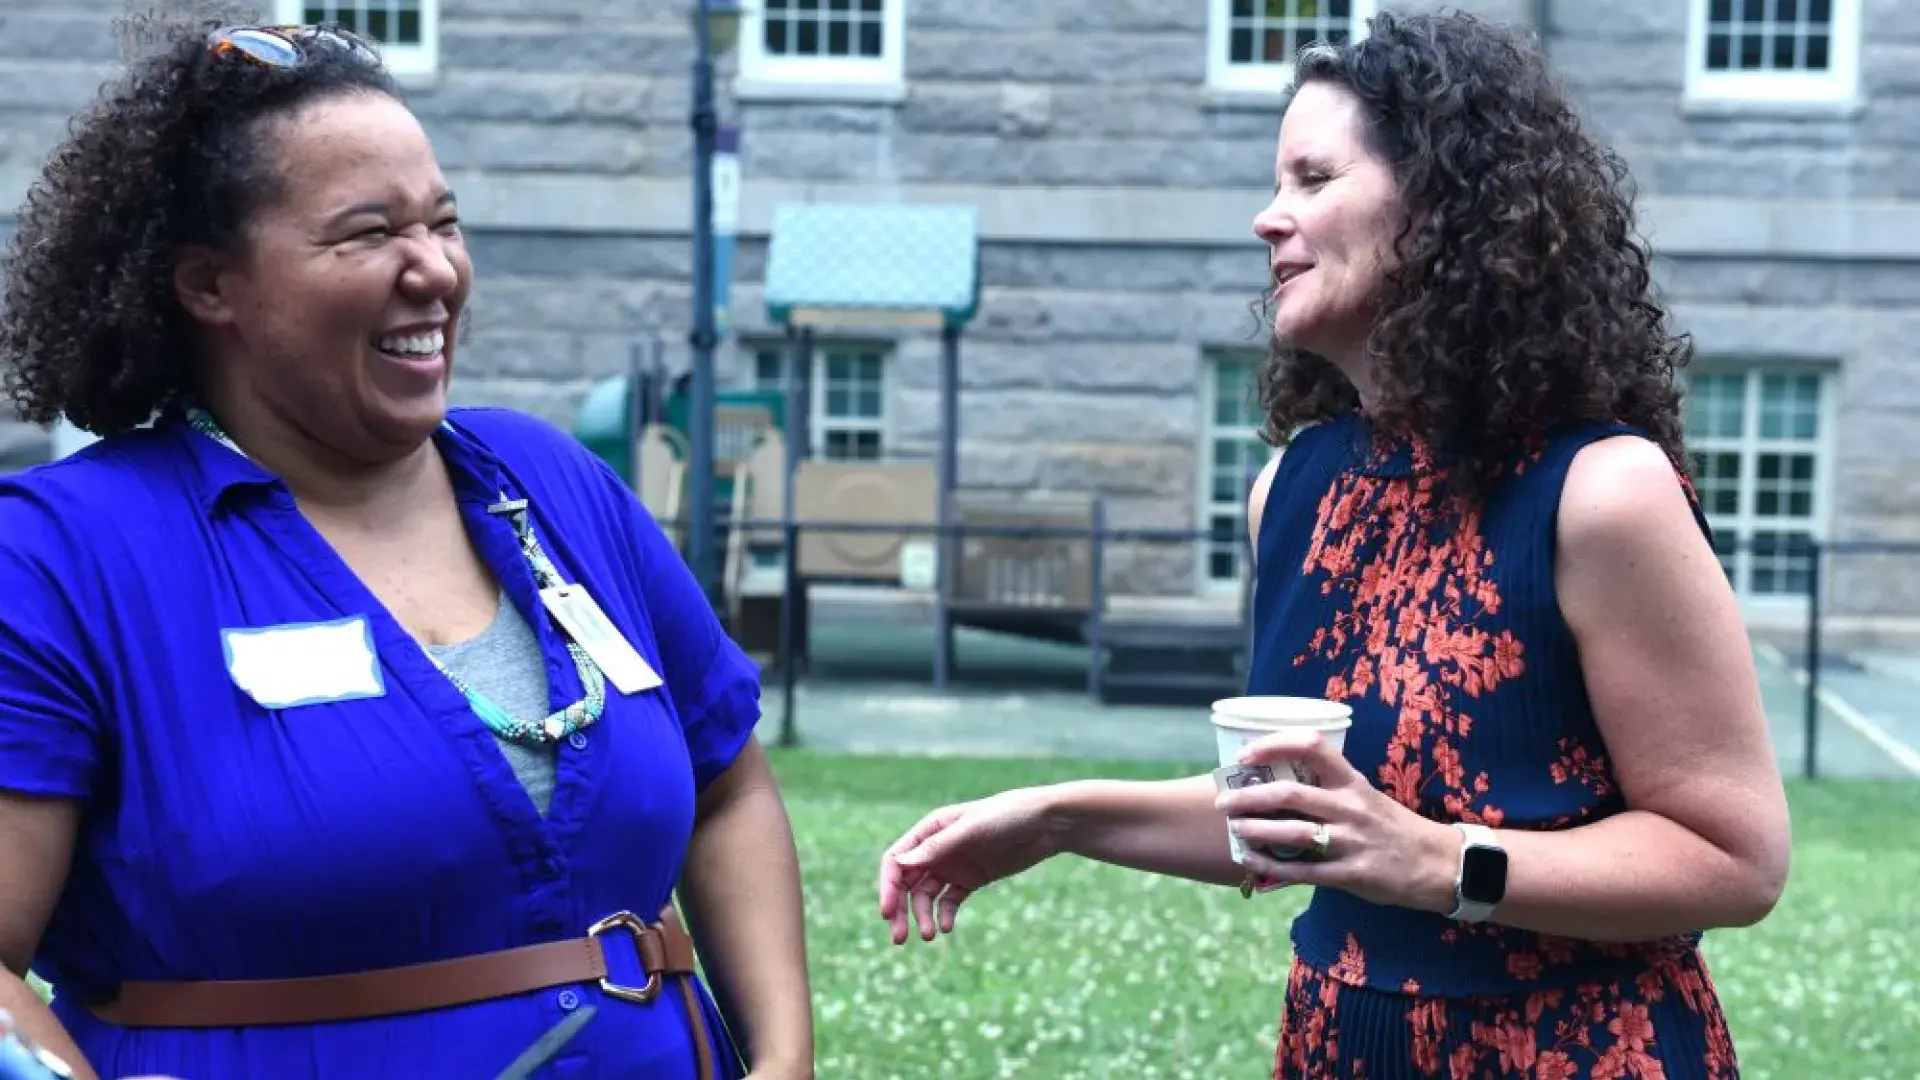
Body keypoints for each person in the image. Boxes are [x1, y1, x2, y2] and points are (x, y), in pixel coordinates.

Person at [877, 11, 1791, 1079]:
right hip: (1339, 1042)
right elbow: (1297, 821)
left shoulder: (1600, 494)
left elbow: (1735, 859)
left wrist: (1439, 862)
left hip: (1575, 1047)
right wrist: (1055, 818)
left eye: (1313, 179)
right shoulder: (1294, 493)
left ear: (1446, 209)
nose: (1270, 219)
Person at [0, 10, 813, 1080]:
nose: (433, 270)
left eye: (444, 222)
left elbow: (728, 787)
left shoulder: (553, 483)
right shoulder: (65, 558)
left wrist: (783, 1059)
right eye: (368, 233)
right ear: (208, 284)